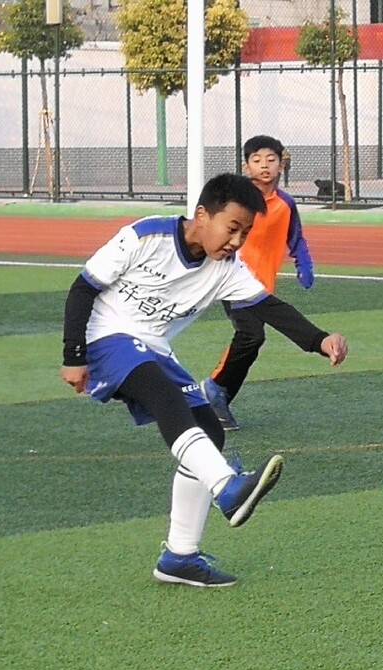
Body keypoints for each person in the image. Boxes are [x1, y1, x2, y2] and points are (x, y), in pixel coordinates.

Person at [60, 173, 349, 587]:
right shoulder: (145, 236)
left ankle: (179, 556)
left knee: (209, 430)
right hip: (105, 336)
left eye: (245, 233)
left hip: (153, 347)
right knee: (164, 397)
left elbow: (268, 307)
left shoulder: (227, 269)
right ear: (202, 215)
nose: (236, 241)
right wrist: (73, 355)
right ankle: (227, 487)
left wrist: (319, 340)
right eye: (232, 228)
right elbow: (83, 289)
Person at [201, 135, 315, 431]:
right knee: (251, 334)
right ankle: (215, 389)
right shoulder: (237, 202)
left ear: (281, 165)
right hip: (233, 280)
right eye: (257, 160)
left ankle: (218, 396)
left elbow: (296, 238)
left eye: (271, 160)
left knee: (252, 339)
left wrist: (304, 265)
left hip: (263, 288)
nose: (264, 166)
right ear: (246, 166)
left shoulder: (286, 204)